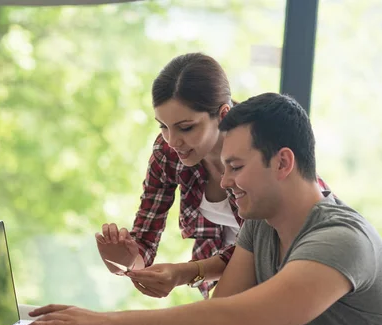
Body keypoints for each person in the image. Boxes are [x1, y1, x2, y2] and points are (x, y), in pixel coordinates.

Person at [27, 93, 382, 325]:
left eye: (236, 167)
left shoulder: (340, 240)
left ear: (283, 163)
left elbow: (228, 322)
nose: (226, 182)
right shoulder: (260, 225)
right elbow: (222, 315)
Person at [96, 53, 329, 301]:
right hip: (221, 285)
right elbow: (143, 245)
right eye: (163, 126)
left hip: (283, 278)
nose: (172, 141)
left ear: (224, 114)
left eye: (186, 127)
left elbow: (266, 243)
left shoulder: (261, 149)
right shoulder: (168, 154)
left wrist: (187, 273)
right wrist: (125, 261)